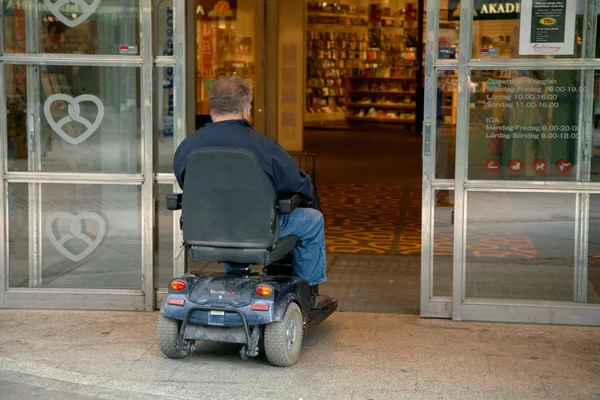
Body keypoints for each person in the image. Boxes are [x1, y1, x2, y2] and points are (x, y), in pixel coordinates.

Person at [173, 76, 330, 308]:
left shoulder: (187, 146)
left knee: (228, 214)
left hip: (207, 227)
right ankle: (308, 293)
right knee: (313, 219)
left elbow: (188, 184)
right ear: (246, 109)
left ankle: (233, 281)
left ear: (212, 108)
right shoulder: (263, 145)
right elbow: (299, 186)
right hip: (257, 227)